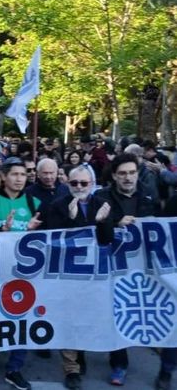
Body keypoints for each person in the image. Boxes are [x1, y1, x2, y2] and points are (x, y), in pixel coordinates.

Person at [40, 165, 111, 390]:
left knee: (87, 318)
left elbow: (107, 239)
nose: (79, 187)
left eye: (84, 183)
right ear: (67, 183)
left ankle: (80, 354)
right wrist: (71, 219)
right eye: (74, 183)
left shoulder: (102, 205)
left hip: (95, 275)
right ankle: (71, 368)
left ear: (92, 184)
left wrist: (102, 222)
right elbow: (55, 239)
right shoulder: (58, 205)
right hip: (67, 275)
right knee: (69, 318)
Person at [95, 153, 160, 386]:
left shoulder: (149, 194)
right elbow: (95, 232)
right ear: (114, 175)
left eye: (132, 172)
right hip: (114, 266)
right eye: (122, 173)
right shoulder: (102, 197)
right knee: (117, 314)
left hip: (144, 265)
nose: (128, 177)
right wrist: (114, 223)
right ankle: (119, 363)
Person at [0, 157, 41, 390]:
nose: (19, 179)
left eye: (23, 175)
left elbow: (48, 239)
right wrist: (1, 230)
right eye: (14, 174)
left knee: (22, 318)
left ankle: (14, 367)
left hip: (25, 274)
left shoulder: (35, 203)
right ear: (5, 177)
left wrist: (35, 231)